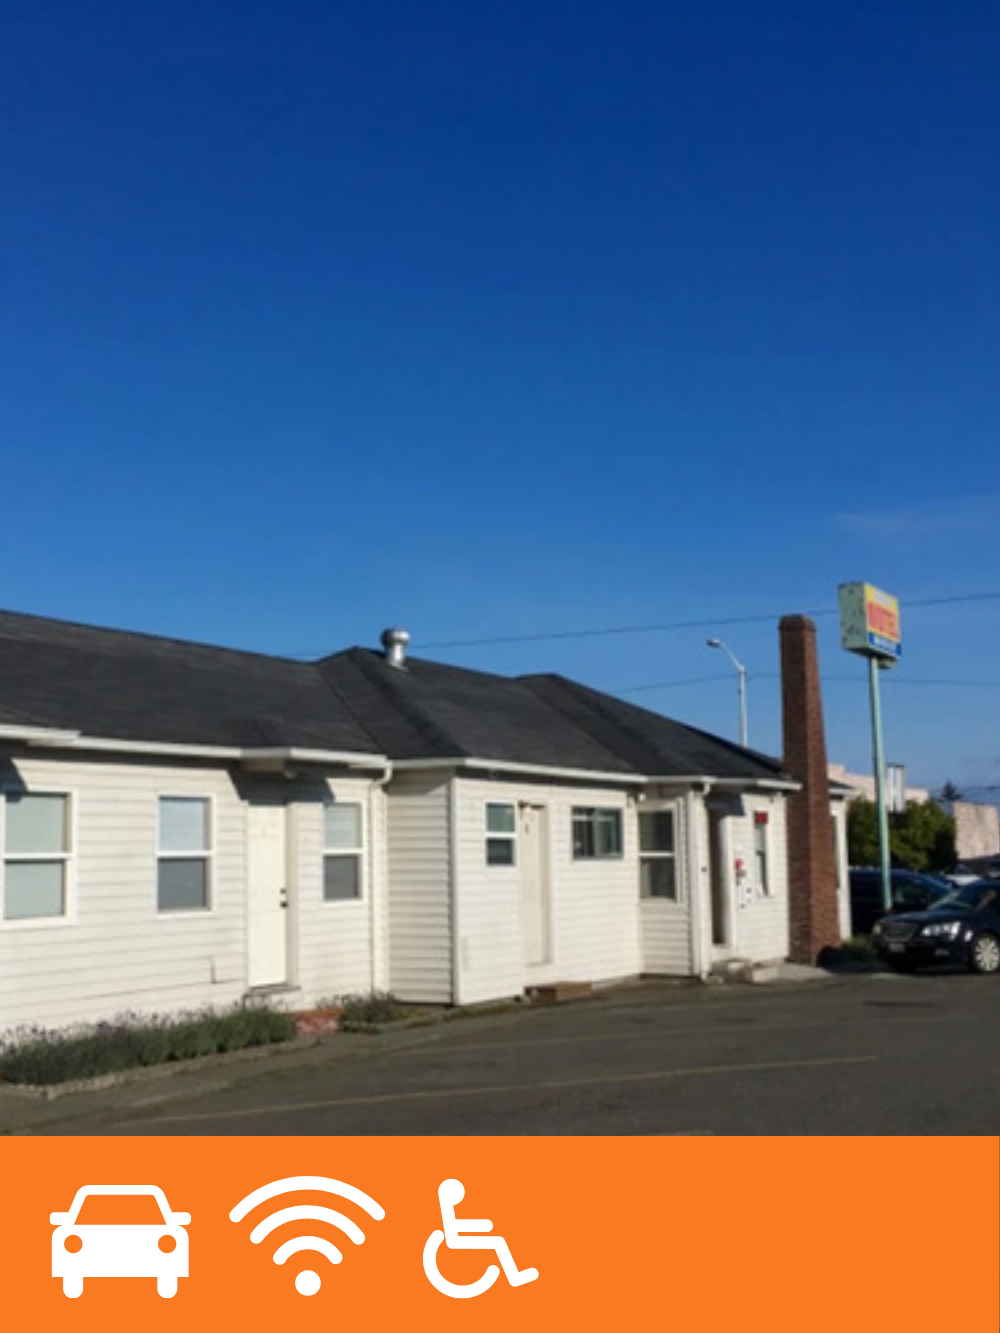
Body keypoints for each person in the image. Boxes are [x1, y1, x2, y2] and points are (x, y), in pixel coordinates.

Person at [436, 1179, 538, 1287]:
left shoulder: (447, 1205)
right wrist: (484, 1225)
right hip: (456, 1240)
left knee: (498, 1241)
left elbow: (456, 1225)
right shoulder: (447, 1206)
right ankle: (514, 1277)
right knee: (498, 1241)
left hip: (457, 1237)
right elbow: (454, 1227)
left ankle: (514, 1276)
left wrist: (484, 1225)